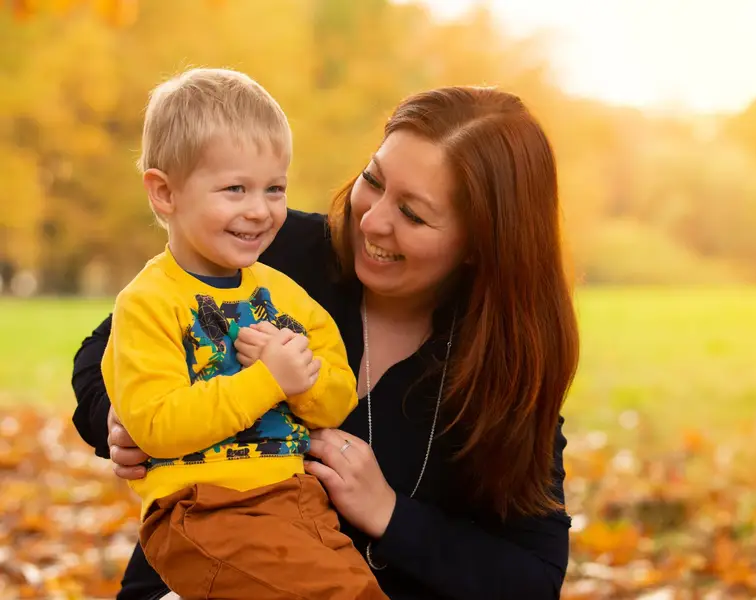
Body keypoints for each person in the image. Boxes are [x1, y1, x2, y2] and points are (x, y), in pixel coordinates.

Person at [72, 85, 580, 600]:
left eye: (413, 213)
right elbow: (103, 351)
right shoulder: (272, 251)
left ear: (479, 243)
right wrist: (120, 416)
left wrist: (389, 513)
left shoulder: (502, 373)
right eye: (373, 181)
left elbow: (532, 578)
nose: (373, 220)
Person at [97, 67, 386, 600]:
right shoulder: (147, 303)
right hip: (204, 507)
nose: (260, 210)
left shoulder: (287, 296)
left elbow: (336, 399)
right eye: (235, 189)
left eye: (274, 188)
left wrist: (303, 383)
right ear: (164, 193)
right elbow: (158, 425)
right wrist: (268, 380)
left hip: (297, 500)